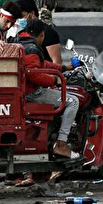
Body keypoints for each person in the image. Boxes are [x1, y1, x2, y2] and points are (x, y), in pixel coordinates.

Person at [16, 19, 80, 159]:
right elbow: (33, 75)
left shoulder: (22, 43)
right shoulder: (32, 49)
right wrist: (55, 80)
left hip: (24, 91)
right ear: (42, 35)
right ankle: (61, 144)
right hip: (32, 93)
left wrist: (64, 68)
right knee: (73, 101)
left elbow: (42, 64)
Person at [17, 0, 62, 64]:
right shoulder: (23, 31)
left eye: (22, 16)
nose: (19, 19)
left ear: (32, 13)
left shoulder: (48, 32)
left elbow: (57, 61)